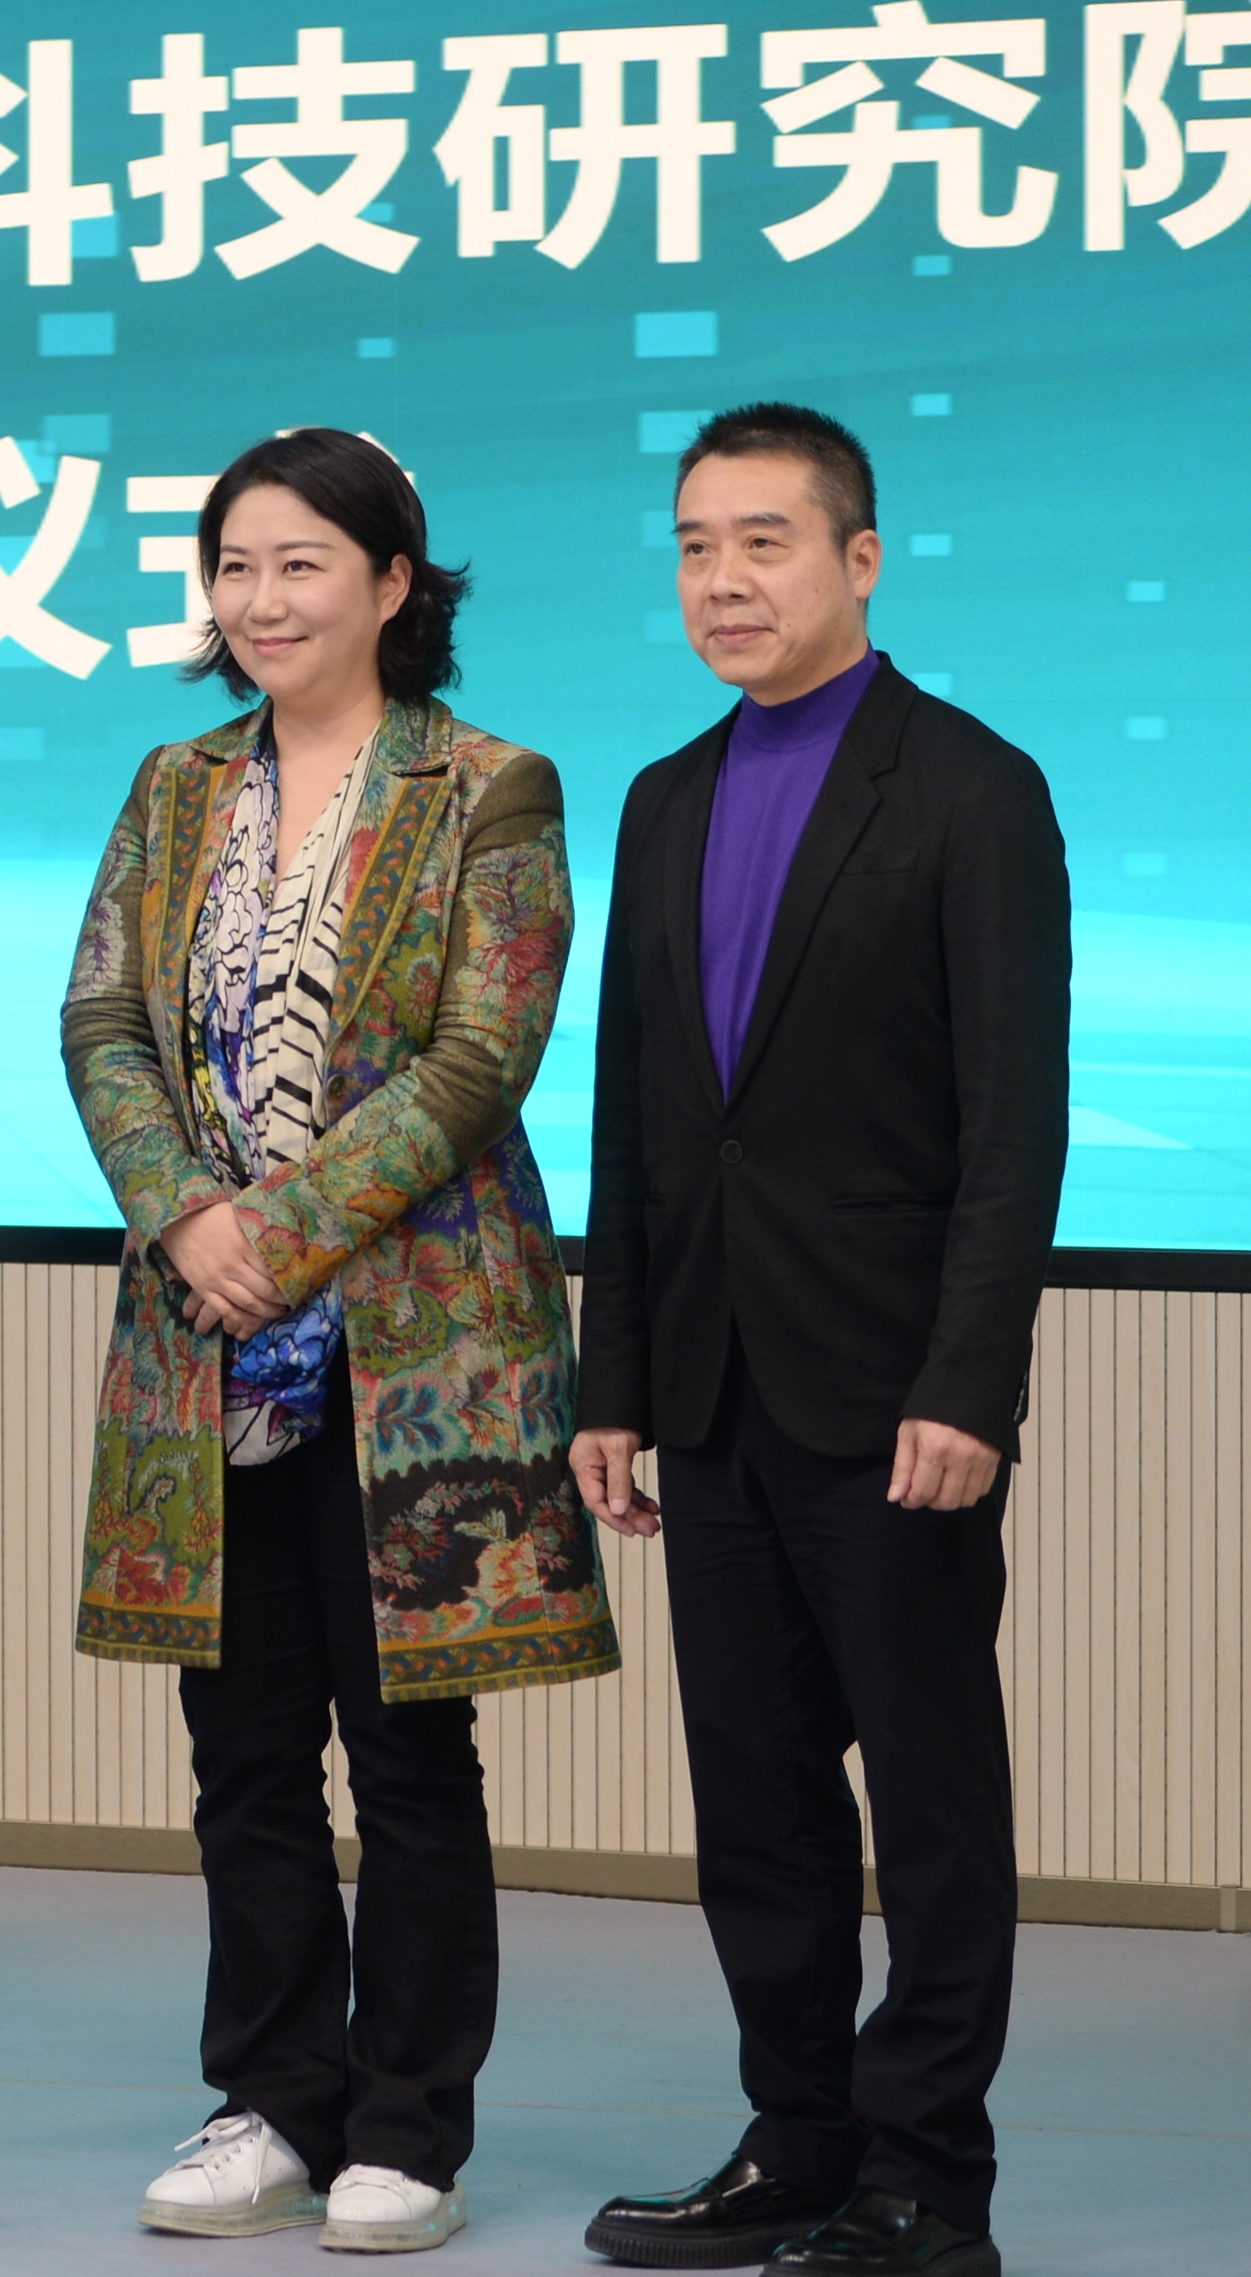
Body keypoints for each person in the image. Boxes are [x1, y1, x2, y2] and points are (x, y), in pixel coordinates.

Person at [62, 427, 617, 2255]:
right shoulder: (173, 785)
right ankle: (273, 2102)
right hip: (205, 1341)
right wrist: (189, 1220)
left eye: (300, 563)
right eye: (234, 566)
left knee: (409, 1755)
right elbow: (101, 1022)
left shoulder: (490, 788)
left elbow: (480, 1056)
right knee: (241, 1753)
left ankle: (408, 2127)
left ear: (391, 583)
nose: (260, 599)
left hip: (409, 1349)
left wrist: (281, 1238)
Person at [574, 403, 1062, 2277]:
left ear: (860, 560)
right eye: (695, 546)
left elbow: (1015, 1125)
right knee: (756, 1804)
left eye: (763, 542)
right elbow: (637, 1121)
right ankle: (797, 2143)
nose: (723, 580)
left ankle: (928, 2181)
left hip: (891, 1394)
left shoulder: (972, 788)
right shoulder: (663, 797)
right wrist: (613, 1379)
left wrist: (970, 1383)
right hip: (708, 1388)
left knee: (927, 1804)